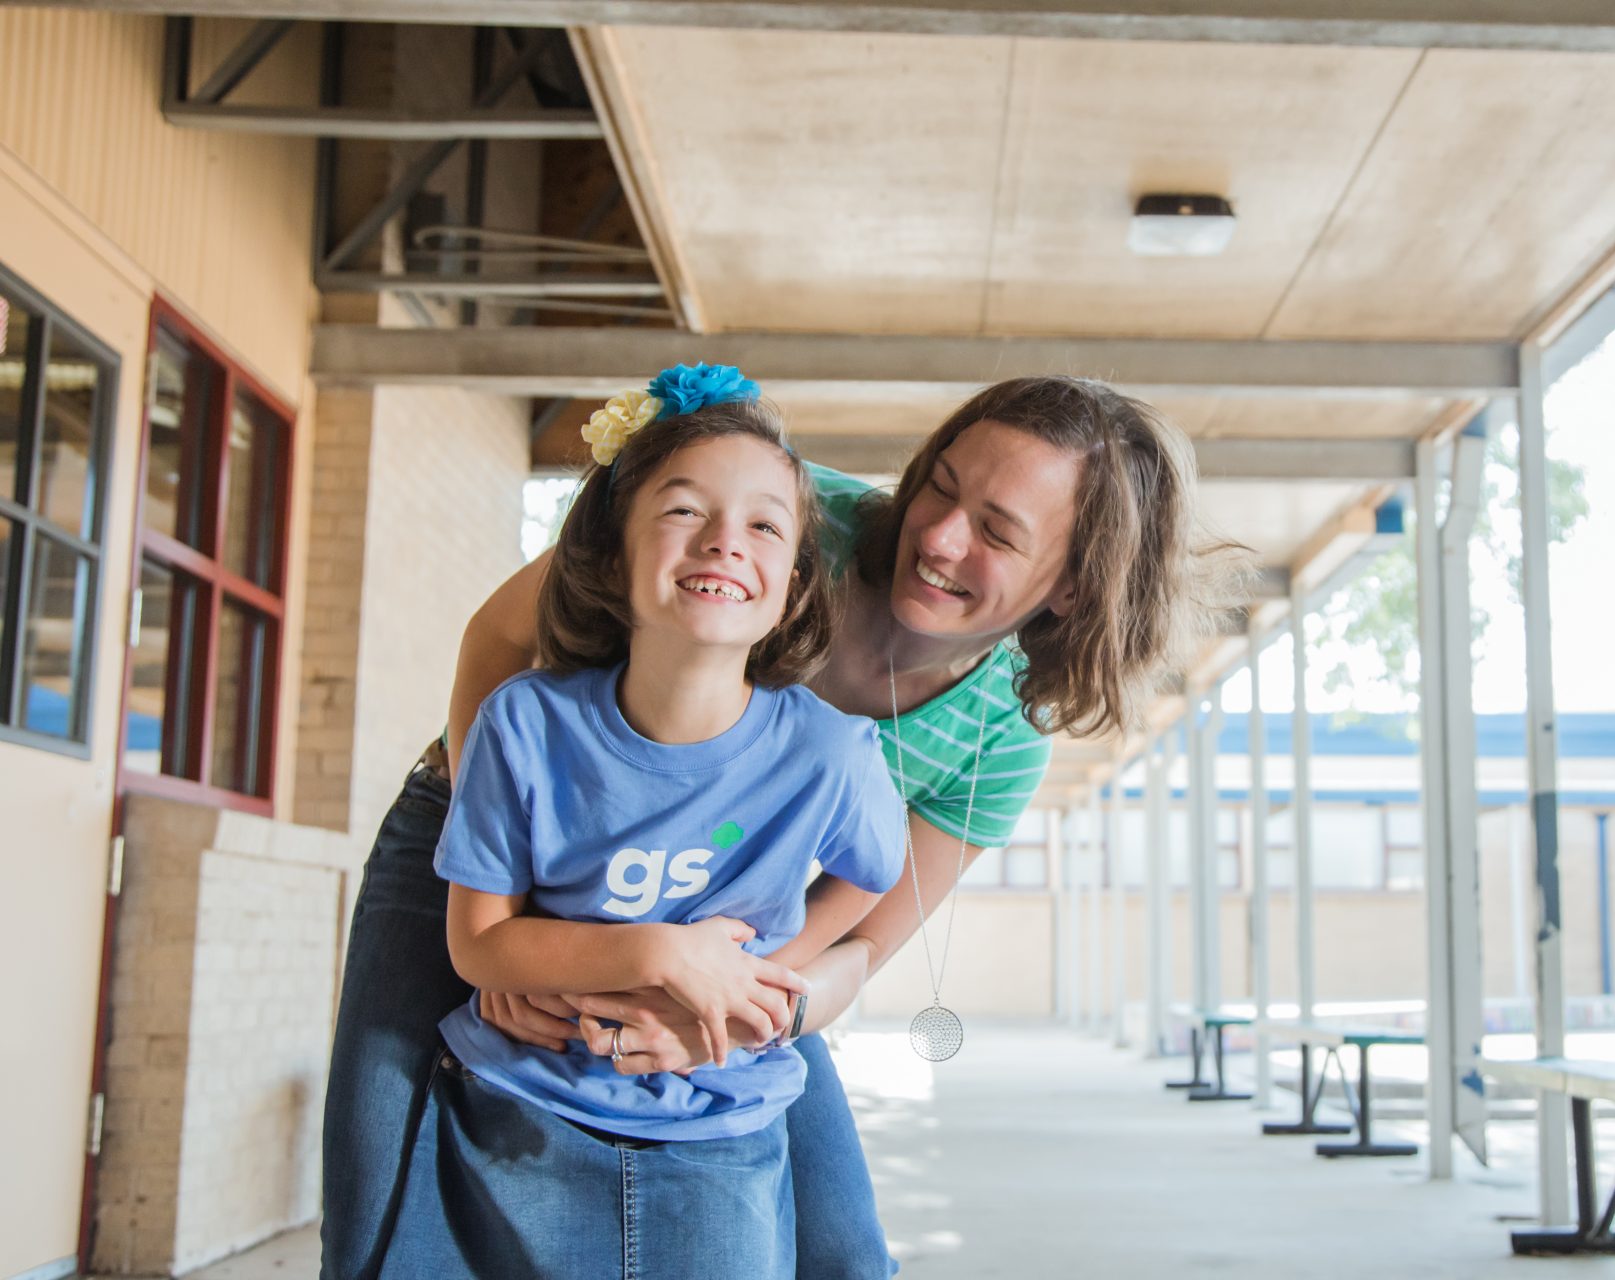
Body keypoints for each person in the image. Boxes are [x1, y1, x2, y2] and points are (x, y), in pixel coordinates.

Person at [322, 374, 1239, 1279]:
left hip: (715, 922)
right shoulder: (774, 518)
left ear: (1074, 586)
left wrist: (727, 1013)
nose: (940, 535)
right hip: (490, 836)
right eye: (940, 485)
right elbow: (495, 639)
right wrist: (532, 931)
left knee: (842, 1247)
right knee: (373, 1192)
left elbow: (859, 942)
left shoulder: (998, 743)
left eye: (998, 532)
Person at [381, 366, 905, 1275]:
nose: (724, 542)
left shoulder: (833, 753)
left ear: (791, 586)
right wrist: (662, 953)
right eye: (682, 510)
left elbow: (874, 873)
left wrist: (756, 974)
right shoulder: (524, 724)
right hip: (521, 1106)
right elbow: (479, 945)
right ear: (611, 559)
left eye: (765, 526)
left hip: (724, 1126)